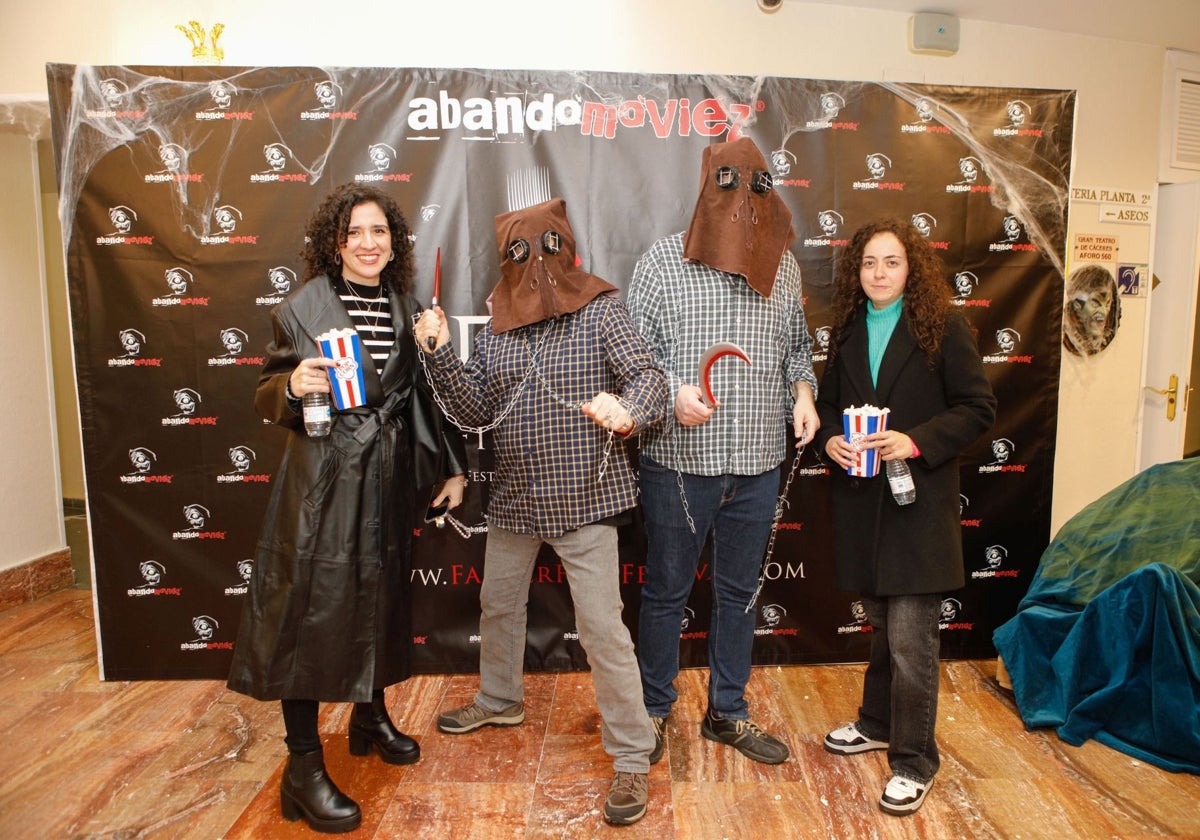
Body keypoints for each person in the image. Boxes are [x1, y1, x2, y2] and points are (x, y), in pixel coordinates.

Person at [414, 197, 667, 827]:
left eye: (547, 248)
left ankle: (633, 753)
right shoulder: (499, 325)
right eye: (519, 254)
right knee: (498, 604)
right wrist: (442, 352)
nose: (535, 265)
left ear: (568, 246)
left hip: (586, 497)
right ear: (505, 260)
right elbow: (473, 411)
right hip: (517, 499)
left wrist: (629, 409)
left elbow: (651, 377)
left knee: (604, 629)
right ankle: (500, 697)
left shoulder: (601, 309)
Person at [227, 183, 467, 834]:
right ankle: (302, 767)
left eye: (379, 232)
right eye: (355, 233)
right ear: (334, 243)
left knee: (382, 599)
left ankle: (368, 717)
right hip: (324, 482)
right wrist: (289, 384)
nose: (368, 243)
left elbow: (418, 397)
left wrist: (449, 466)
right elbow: (265, 389)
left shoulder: (406, 306)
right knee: (306, 614)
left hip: (385, 480)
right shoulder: (304, 306)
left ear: (394, 244)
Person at [626, 136, 819, 767]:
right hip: (679, 464)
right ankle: (654, 711)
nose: (741, 197)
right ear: (709, 184)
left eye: (755, 183)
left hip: (759, 464)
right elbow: (633, 358)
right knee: (666, 593)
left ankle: (727, 713)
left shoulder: (784, 266)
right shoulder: (661, 263)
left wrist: (803, 392)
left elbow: (798, 346)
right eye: (728, 181)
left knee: (739, 595)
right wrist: (673, 393)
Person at [814, 217, 996, 816]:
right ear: (856, 272)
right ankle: (876, 722)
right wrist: (831, 442)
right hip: (865, 509)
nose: (879, 273)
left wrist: (914, 442)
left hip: (918, 508)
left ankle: (916, 761)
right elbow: (831, 408)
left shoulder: (943, 328)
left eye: (891, 262)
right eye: (869, 263)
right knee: (882, 629)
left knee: (913, 641)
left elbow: (978, 408)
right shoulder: (846, 330)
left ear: (911, 267)